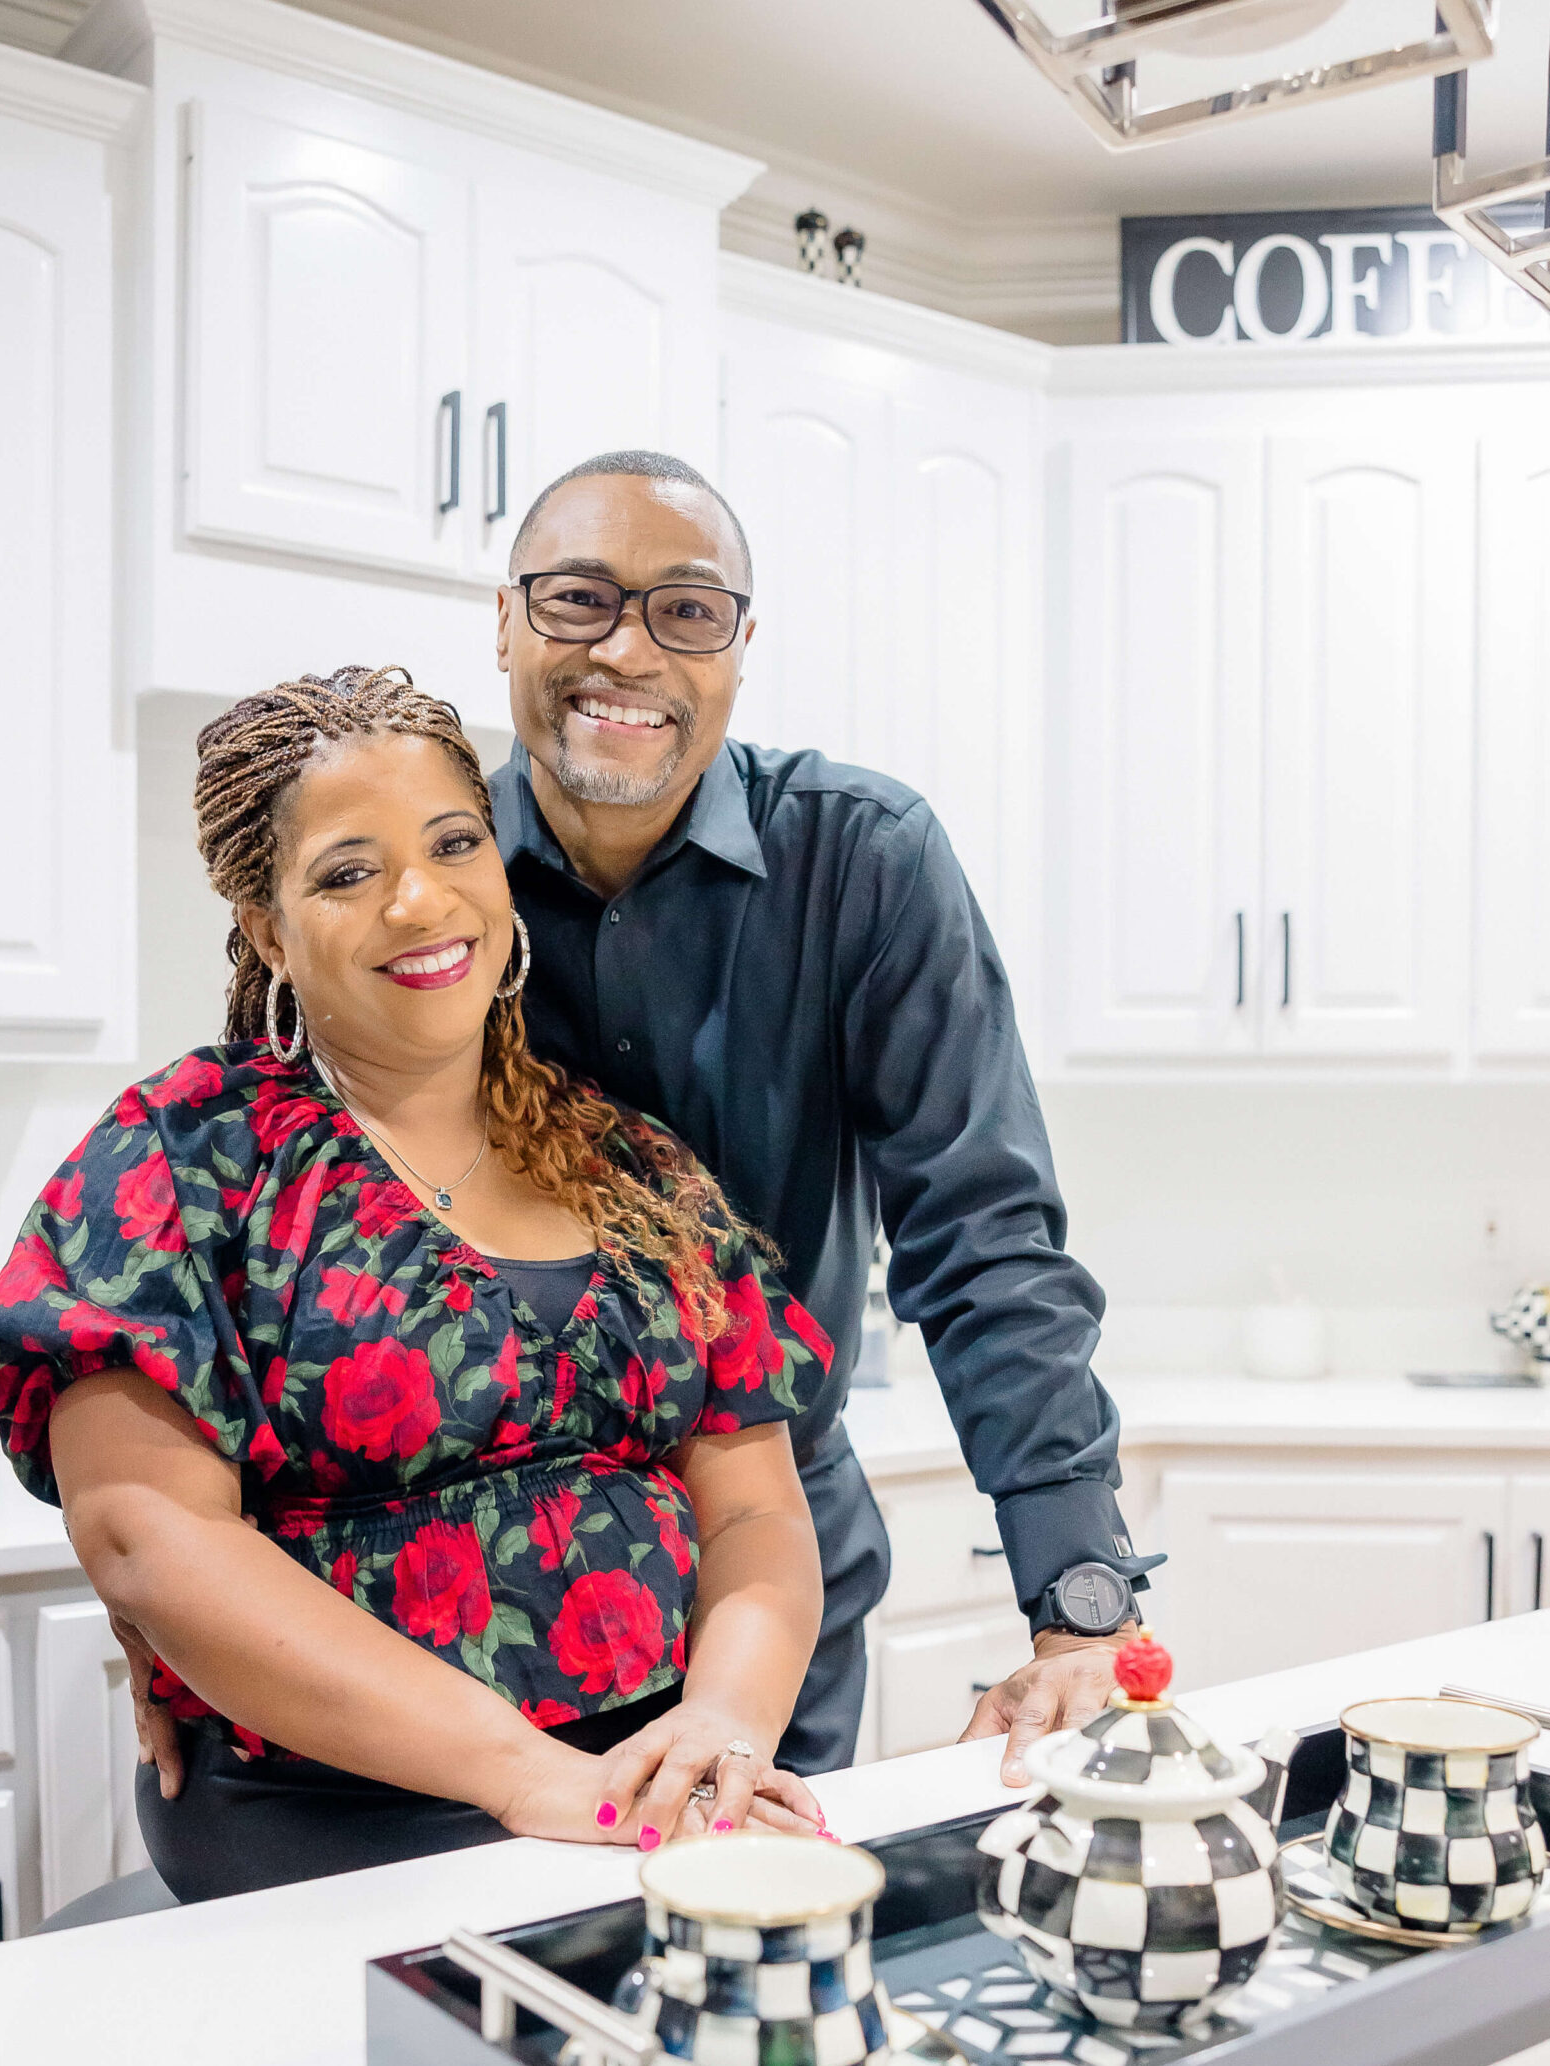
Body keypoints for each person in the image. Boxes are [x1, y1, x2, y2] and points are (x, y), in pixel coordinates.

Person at [0, 669, 831, 1902]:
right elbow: (149, 1534)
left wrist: (727, 1724)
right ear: (267, 927)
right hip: (335, 1813)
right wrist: (523, 1774)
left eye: (452, 842)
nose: (420, 900)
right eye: (345, 871)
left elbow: (753, 1511)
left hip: (655, 1779)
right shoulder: (185, 1153)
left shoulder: (635, 1164)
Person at [490, 451, 1165, 1783]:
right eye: (577, 598)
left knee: (760, 1966)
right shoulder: (419, 867)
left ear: (742, 646)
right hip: (466, 1604)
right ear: (503, 619)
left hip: (778, 1581)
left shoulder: (863, 861)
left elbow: (979, 1231)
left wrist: (1080, 1595)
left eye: (685, 610)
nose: (626, 646)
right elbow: (294, 1224)